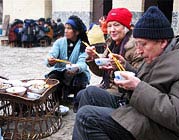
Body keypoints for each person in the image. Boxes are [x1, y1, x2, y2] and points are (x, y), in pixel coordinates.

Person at [72, 6, 179, 140]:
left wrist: (137, 86)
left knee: (87, 117)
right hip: (137, 106)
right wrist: (122, 66)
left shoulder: (173, 61)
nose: (139, 50)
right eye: (109, 26)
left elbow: (175, 115)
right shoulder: (154, 53)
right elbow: (141, 78)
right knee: (89, 94)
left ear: (163, 42)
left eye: (143, 44)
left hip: (154, 125)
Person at [86, 8, 143, 92]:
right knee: (84, 93)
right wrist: (92, 58)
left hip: (121, 91)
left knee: (89, 93)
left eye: (116, 25)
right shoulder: (111, 44)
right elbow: (100, 72)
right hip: (107, 86)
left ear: (125, 27)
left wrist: (123, 65)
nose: (112, 30)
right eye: (109, 26)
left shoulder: (135, 46)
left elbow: (140, 76)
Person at [45, 15, 90, 103]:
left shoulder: (83, 45)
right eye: (65, 28)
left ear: (76, 32)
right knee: (53, 78)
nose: (65, 31)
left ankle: (78, 102)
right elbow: (52, 54)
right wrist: (50, 60)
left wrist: (76, 68)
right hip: (60, 70)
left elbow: (83, 62)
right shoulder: (59, 42)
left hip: (77, 72)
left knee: (81, 78)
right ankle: (56, 103)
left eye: (69, 28)